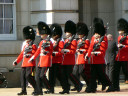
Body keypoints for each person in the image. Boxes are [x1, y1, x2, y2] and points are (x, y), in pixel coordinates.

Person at [85, 22, 111, 93]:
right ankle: (92, 88)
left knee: (102, 74)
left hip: (99, 60)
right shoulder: (93, 38)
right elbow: (90, 47)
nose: (95, 34)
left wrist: (95, 53)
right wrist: (87, 55)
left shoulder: (104, 38)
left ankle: (110, 84)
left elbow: (103, 50)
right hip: (93, 60)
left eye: (97, 33)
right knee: (92, 75)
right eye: (95, 33)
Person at [29, 21, 53, 95]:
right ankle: (39, 91)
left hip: (46, 61)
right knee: (37, 77)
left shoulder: (49, 42)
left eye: (43, 34)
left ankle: (49, 87)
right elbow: (38, 51)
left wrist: (47, 51)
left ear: (46, 34)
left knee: (42, 76)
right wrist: (33, 57)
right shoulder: (41, 42)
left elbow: (50, 51)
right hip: (40, 62)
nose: (41, 35)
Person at [13, 26, 37, 95]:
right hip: (24, 63)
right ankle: (23, 90)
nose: (27, 40)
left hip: (30, 63)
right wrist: (16, 61)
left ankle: (36, 88)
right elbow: (21, 54)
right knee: (22, 77)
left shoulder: (33, 45)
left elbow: (34, 54)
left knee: (28, 76)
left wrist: (30, 56)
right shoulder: (25, 45)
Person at [108, 18, 128, 92]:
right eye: (119, 30)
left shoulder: (127, 37)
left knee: (126, 72)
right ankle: (115, 86)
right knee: (115, 73)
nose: (119, 31)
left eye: (120, 30)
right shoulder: (120, 37)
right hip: (118, 58)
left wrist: (123, 46)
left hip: (125, 58)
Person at [45, 23, 64, 94]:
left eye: (55, 35)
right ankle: (51, 89)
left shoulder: (61, 41)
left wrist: (54, 53)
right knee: (52, 76)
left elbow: (61, 51)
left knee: (59, 76)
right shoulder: (52, 41)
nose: (54, 37)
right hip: (52, 61)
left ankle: (65, 88)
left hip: (58, 61)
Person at [71, 22, 90, 92]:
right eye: (78, 33)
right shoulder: (78, 41)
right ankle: (77, 85)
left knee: (83, 73)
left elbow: (87, 49)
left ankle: (89, 84)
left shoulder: (86, 41)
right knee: (74, 73)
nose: (78, 35)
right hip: (77, 59)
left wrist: (81, 50)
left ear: (83, 33)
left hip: (82, 58)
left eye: (80, 33)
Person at [59, 20, 77, 94]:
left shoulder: (74, 41)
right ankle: (66, 88)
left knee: (69, 74)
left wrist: (65, 51)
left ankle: (78, 84)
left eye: (67, 32)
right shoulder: (66, 41)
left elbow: (73, 51)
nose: (66, 33)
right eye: (66, 32)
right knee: (64, 75)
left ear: (71, 32)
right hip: (64, 61)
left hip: (70, 61)